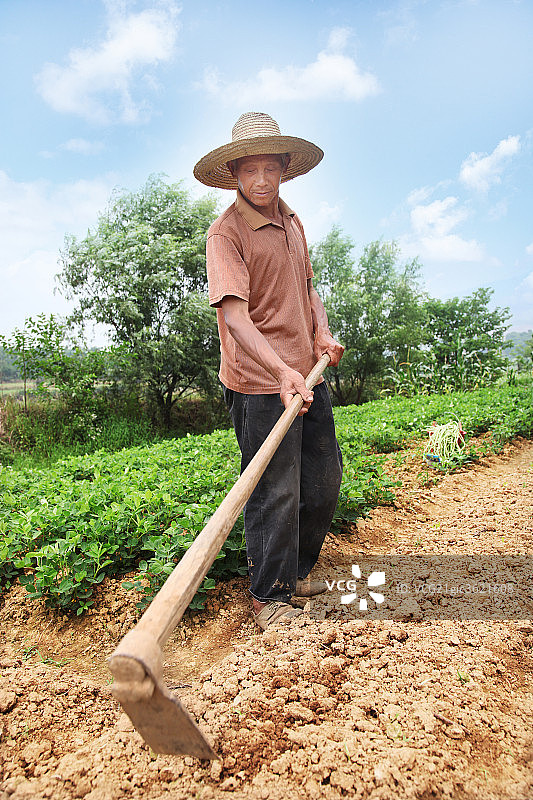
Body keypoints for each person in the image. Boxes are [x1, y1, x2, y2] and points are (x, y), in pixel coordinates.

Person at [194, 112, 344, 630]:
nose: (260, 181)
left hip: (308, 374)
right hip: (261, 384)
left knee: (323, 480)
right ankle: (268, 595)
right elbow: (234, 317)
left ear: (284, 169)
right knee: (274, 488)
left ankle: (296, 572)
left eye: (270, 169)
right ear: (234, 172)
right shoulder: (226, 234)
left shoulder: (293, 220)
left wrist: (321, 332)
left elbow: (308, 289)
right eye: (249, 170)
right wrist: (281, 372)